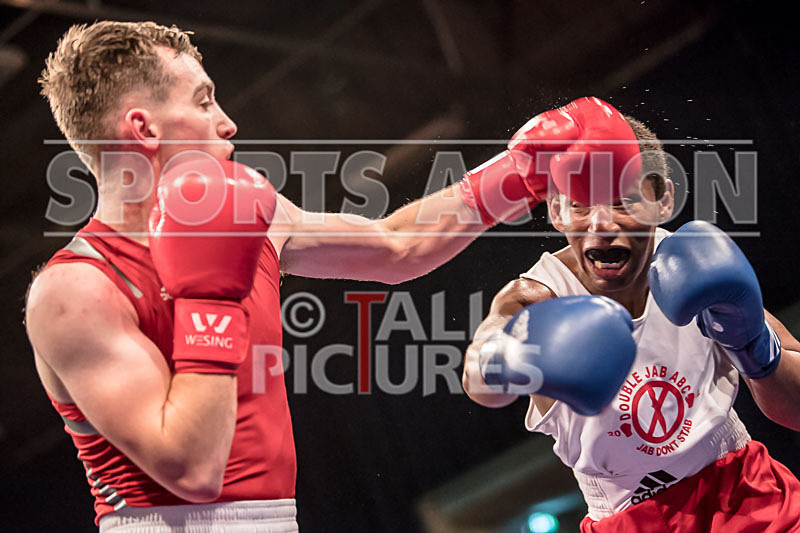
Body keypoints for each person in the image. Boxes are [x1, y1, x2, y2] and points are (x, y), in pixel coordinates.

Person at [25, 21, 638, 531]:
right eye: (204, 99)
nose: (227, 121)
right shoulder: (77, 291)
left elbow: (398, 248)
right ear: (144, 129)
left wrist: (522, 170)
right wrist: (210, 293)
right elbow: (191, 469)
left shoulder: (255, 218)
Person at [462, 116, 800, 531]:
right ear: (556, 211)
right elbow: (478, 377)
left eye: (622, 200)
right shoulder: (535, 298)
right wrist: (510, 357)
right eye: (581, 203)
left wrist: (755, 347)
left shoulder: (699, 268)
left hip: (749, 497)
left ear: (663, 201)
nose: (601, 224)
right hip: (628, 520)